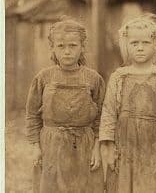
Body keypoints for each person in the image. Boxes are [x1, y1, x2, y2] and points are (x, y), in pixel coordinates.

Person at [26, 18, 105, 193]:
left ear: (82, 47)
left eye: (73, 45)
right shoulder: (43, 78)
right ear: (52, 47)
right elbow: (32, 115)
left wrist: (97, 148)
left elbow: (100, 118)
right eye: (61, 46)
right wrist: (35, 148)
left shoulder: (94, 79)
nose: (67, 51)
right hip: (52, 145)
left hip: (85, 145)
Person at [99, 13, 156, 193]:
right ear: (126, 45)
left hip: (154, 144)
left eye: (145, 43)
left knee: (152, 185)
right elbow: (108, 112)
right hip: (124, 144)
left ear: (155, 45)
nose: (140, 48)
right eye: (134, 43)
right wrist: (108, 145)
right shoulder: (118, 76)